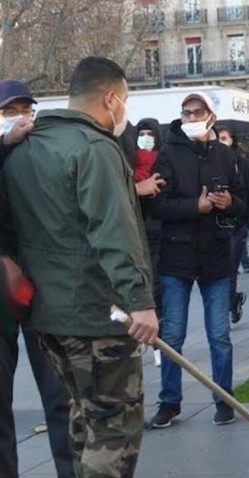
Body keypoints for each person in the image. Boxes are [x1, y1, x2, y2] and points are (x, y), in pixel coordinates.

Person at [0, 57, 159, 477]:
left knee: (82, 420)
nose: (123, 111)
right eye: (123, 101)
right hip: (95, 313)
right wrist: (140, 301)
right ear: (110, 99)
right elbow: (114, 233)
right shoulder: (95, 149)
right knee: (113, 429)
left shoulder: (22, 149)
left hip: (47, 316)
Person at [148, 92, 245, 428]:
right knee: (172, 334)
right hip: (177, 256)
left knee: (219, 334)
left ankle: (224, 399)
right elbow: (157, 207)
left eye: (197, 113)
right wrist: (195, 207)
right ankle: (169, 402)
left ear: (211, 116)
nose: (191, 118)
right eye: (186, 113)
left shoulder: (224, 154)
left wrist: (230, 201)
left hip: (215, 256)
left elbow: (243, 201)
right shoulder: (168, 154)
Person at [0, 79, 74, 478]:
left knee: (59, 395)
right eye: (9, 111)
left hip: (42, 284)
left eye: (25, 109)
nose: (18, 118)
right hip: (2, 287)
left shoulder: (45, 152)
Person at [216, 125, 249, 323]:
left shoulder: (246, 166)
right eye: (217, 137)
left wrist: (248, 225)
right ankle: (232, 300)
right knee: (220, 270)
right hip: (215, 227)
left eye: (224, 137)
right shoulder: (209, 164)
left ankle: (225, 310)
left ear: (232, 139)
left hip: (237, 226)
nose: (220, 141)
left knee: (230, 269)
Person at [134, 118, 166, 365]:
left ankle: (158, 343)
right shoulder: (128, 163)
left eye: (149, 134)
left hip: (157, 233)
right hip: (135, 233)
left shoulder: (164, 161)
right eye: (141, 133)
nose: (145, 138)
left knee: (155, 289)